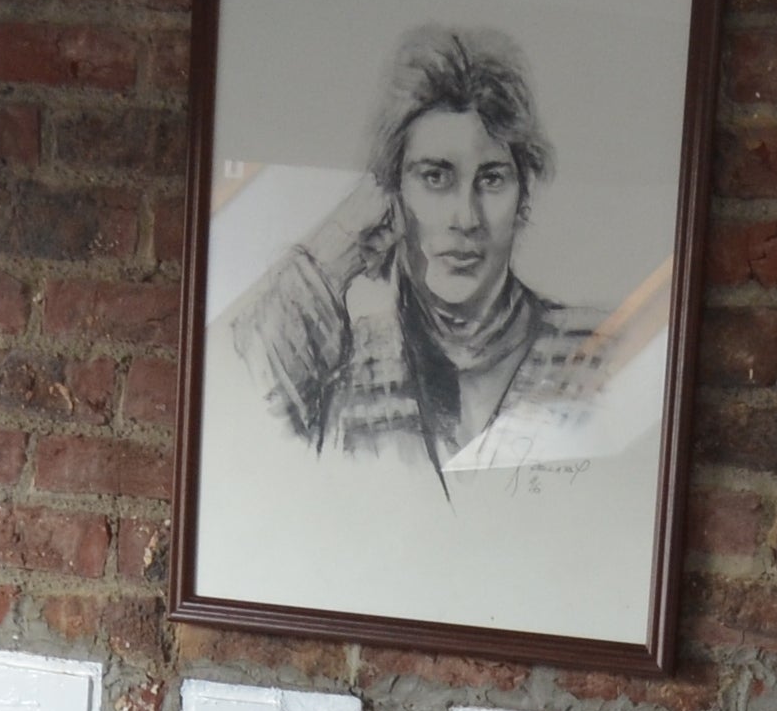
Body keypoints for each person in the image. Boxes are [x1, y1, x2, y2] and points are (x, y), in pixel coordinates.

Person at [234, 24, 619, 481]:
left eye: (492, 179)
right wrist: (338, 248)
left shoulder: (596, 351)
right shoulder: (343, 371)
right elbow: (248, 406)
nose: (466, 218)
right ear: (390, 196)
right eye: (435, 177)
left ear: (522, 198)